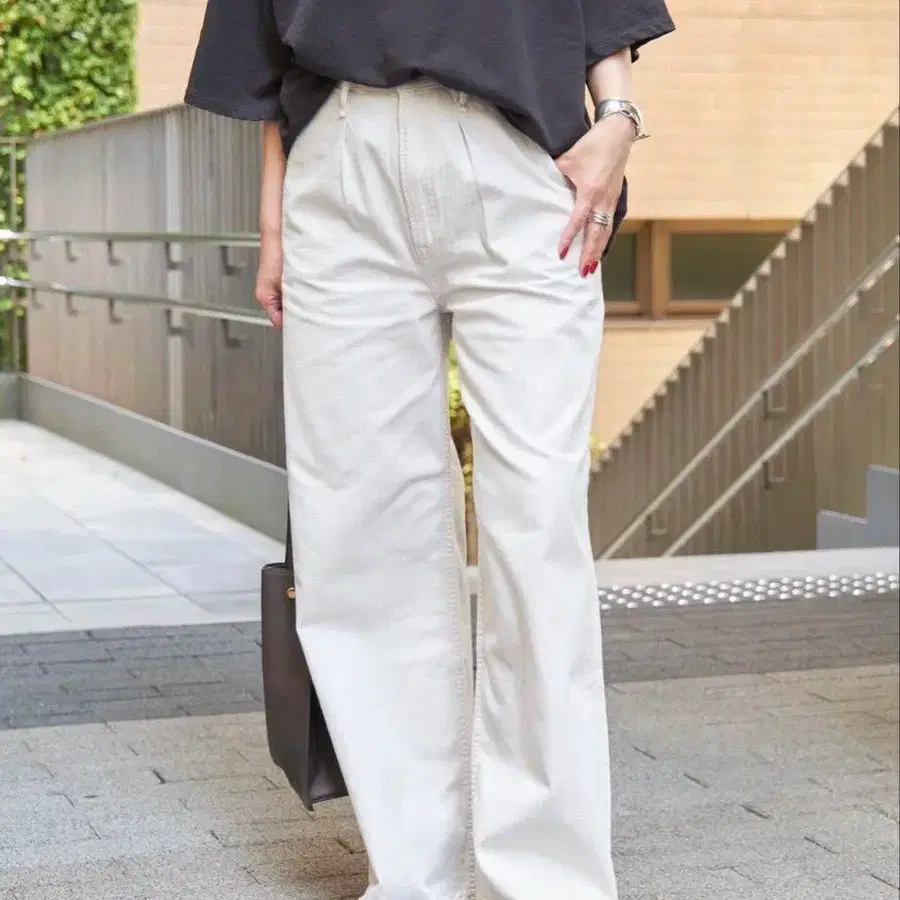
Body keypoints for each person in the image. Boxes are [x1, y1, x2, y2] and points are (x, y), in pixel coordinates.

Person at [186, 2, 674, 897]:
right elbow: (262, 29)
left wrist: (617, 118)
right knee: (363, 538)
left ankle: (551, 881)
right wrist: (275, 218)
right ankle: (412, 874)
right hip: (340, 162)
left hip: (521, 157)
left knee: (537, 529)